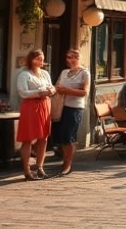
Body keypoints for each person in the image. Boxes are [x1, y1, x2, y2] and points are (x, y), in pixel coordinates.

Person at [16, 49, 55, 180]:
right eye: (38, 58)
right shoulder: (24, 75)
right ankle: (27, 170)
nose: (41, 61)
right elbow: (23, 92)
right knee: (28, 138)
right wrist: (39, 93)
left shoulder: (45, 74)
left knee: (43, 137)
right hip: (31, 106)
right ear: (31, 60)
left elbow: (52, 87)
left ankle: (40, 167)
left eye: (42, 58)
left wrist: (52, 90)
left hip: (45, 105)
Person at [52, 49, 90, 176]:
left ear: (79, 58)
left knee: (69, 136)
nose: (71, 60)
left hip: (74, 107)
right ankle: (64, 160)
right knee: (62, 136)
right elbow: (57, 87)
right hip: (60, 106)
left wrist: (67, 90)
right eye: (68, 57)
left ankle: (67, 164)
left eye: (74, 57)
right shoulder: (64, 72)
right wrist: (71, 89)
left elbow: (84, 92)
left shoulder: (84, 73)